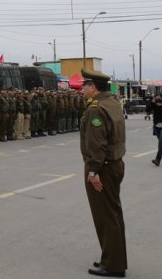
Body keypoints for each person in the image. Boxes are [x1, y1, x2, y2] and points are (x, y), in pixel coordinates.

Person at [80, 69, 127, 278]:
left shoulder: (96, 109)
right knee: (114, 214)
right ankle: (112, 258)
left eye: (85, 85)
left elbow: (97, 144)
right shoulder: (113, 103)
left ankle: (112, 266)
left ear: (93, 87)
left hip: (103, 168)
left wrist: (92, 171)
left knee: (106, 217)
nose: (82, 89)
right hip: (115, 164)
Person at [152, 94, 162, 167]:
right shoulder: (154, 105)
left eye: (159, 99)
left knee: (160, 144)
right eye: (156, 99)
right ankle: (157, 159)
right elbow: (147, 110)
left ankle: (157, 160)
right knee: (160, 143)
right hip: (156, 126)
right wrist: (152, 102)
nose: (158, 100)